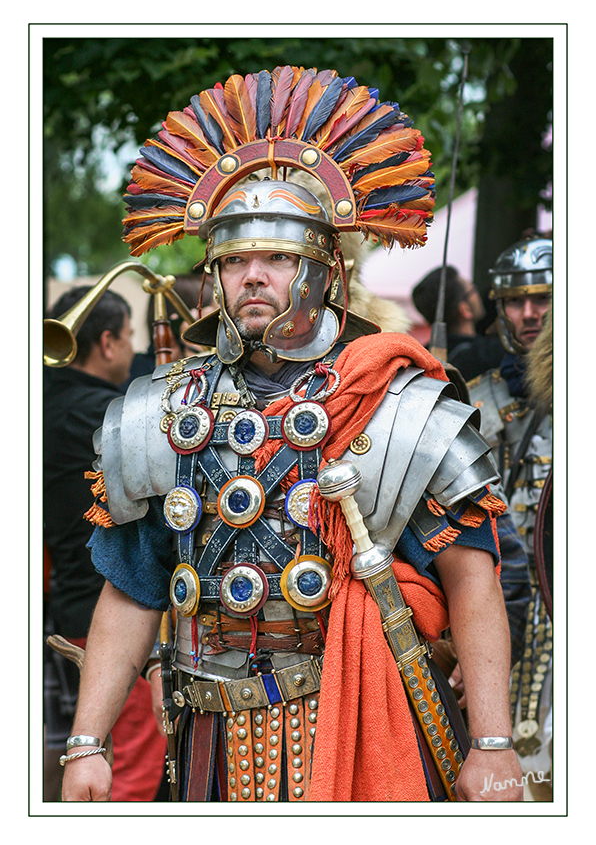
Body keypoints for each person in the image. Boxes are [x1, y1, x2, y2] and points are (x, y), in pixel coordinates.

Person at [59, 66, 523, 803]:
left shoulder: (397, 401)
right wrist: (88, 743)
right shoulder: (160, 411)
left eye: (276, 258)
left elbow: (472, 578)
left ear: (323, 271)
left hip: (361, 712)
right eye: (235, 259)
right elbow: (132, 590)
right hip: (203, 735)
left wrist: (493, 743)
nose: (252, 277)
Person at [43, 285, 168, 801]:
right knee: (131, 778)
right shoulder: (92, 410)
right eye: (132, 335)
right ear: (110, 342)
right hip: (111, 615)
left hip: (77, 606)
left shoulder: (45, 402)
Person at [466, 235, 553, 800]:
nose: (529, 313)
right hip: (495, 604)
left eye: (543, 298)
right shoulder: (473, 402)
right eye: (516, 301)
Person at [412, 265, 504, 380]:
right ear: (465, 309)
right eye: (473, 290)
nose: (478, 295)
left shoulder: (421, 359)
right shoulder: (488, 355)